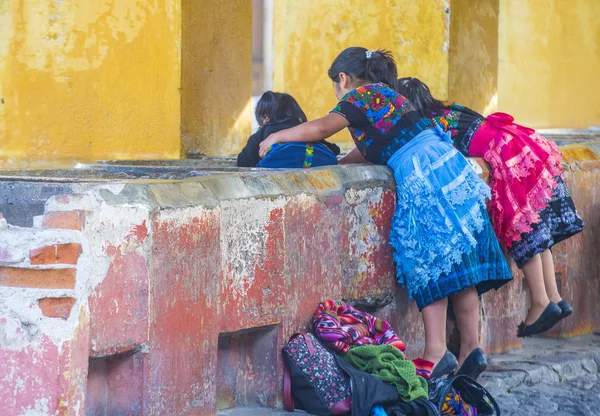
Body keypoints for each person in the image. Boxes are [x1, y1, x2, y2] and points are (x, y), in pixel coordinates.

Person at [259, 47, 513, 380]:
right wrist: (338, 162)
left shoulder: (361, 96)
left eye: (336, 87)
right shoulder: (390, 97)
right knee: (457, 260)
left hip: (423, 173)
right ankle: (471, 348)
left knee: (427, 260)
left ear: (343, 79)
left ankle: (437, 352)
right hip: (449, 165)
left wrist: (276, 136)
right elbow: (376, 148)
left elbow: (321, 129)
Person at [396, 77, 584, 338]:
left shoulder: (428, 124)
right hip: (519, 142)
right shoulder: (450, 109)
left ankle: (541, 302)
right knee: (533, 225)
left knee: (517, 225)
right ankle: (553, 297)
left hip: (505, 153)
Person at [237, 91, 340, 168]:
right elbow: (334, 150)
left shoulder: (262, 134)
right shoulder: (304, 132)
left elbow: (243, 163)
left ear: (265, 117)